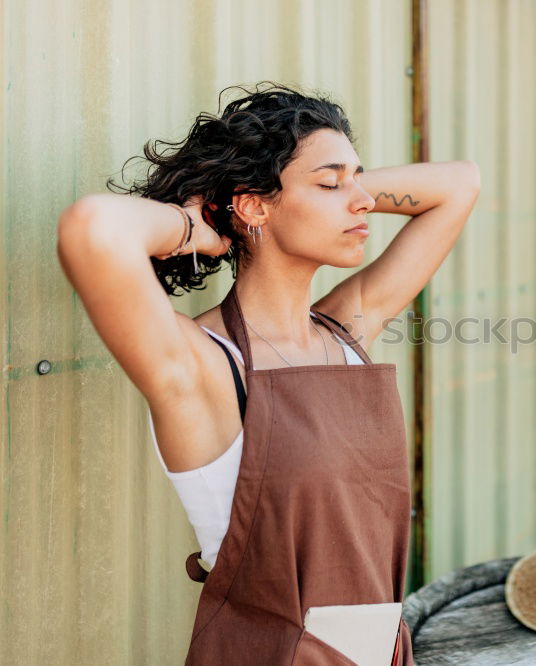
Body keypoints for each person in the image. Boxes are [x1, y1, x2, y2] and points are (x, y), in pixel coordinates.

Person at [56, 82, 480, 664]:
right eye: (331, 183)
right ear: (254, 205)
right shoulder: (204, 364)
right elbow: (93, 226)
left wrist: (337, 189)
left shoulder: (343, 334)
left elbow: (460, 184)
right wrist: (198, 226)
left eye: (358, 181)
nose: (360, 201)